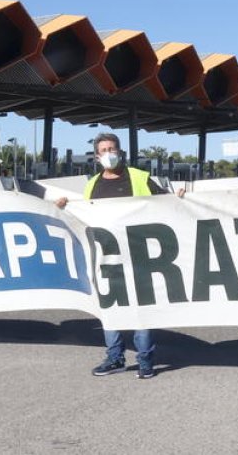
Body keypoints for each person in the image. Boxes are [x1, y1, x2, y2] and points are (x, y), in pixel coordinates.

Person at [55, 132, 183, 380]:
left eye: (112, 149)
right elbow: (84, 217)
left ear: (120, 151)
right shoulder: (92, 184)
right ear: (96, 155)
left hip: (139, 253)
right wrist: (62, 207)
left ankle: (145, 360)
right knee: (110, 309)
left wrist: (177, 199)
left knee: (141, 308)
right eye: (103, 150)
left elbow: (164, 204)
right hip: (108, 257)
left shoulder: (139, 178)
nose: (108, 154)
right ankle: (115, 358)